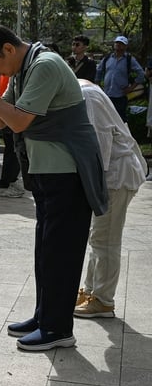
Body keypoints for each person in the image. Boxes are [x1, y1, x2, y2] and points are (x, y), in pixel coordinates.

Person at [0, 23, 107, 351]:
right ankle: (44, 316)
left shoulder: (45, 65)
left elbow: (20, 121)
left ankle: (58, 329)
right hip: (47, 173)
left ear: (8, 49)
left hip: (68, 172)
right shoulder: (24, 69)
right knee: (46, 251)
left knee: (61, 253)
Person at [74, 79, 147, 318]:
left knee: (106, 240)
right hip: (112, 175)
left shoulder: (87, 97)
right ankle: (92, 291)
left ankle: (103, 300)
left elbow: (99, 150)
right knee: (99, 236)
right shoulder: (83, 91)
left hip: (116, 177)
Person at [95, 35, 145, 122]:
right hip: (106, 94)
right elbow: (99, 71)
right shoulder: (107, 58)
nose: (118, 45)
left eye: (121, 44)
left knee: (120, 120)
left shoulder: (129, 60)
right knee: (105, 119)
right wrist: (98, 86)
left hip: (120, 95)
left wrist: (131, 88)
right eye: (117, 43)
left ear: (125, 46)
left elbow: (141, 73)